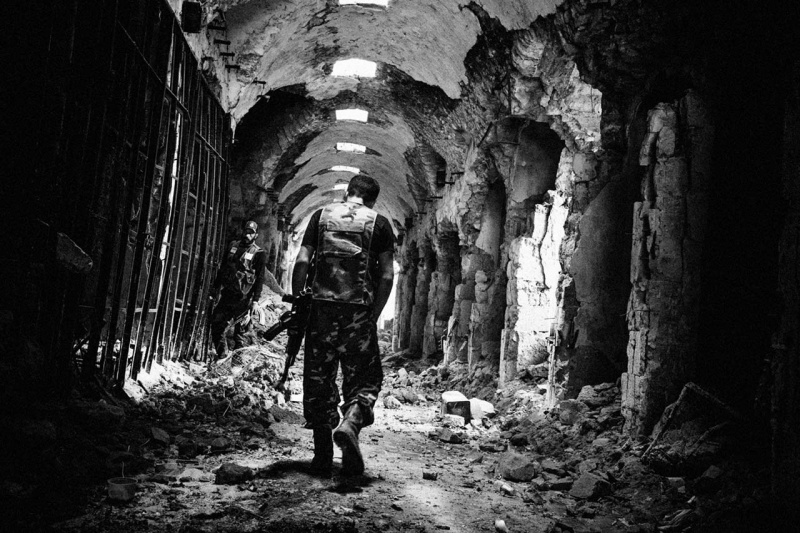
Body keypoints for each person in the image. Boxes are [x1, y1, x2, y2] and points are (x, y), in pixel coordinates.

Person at [291, 175, 395, 477]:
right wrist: (371, 316)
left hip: (320, 313)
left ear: (347, 193)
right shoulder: (380, 224)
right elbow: (387, 276)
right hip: (358, 315)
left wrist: (300, 303)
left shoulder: (320, 216)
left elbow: (301, 261)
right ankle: (350, 423)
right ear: (372, 200)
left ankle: (322, 456)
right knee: (364, 380)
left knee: (319, 383)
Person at [210, 220, 267, 360]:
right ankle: (222, 355)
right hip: (228, 295)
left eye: (251, 233)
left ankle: (237, 364)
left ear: (256, 235)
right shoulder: (232, 246)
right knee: (217, 323)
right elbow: (223, 268)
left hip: (244, 299)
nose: (247, 235)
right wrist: (215, 287)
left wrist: (255, 301)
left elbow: (259, 279)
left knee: (240, 333)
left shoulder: (259, 253)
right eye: (246, 231)